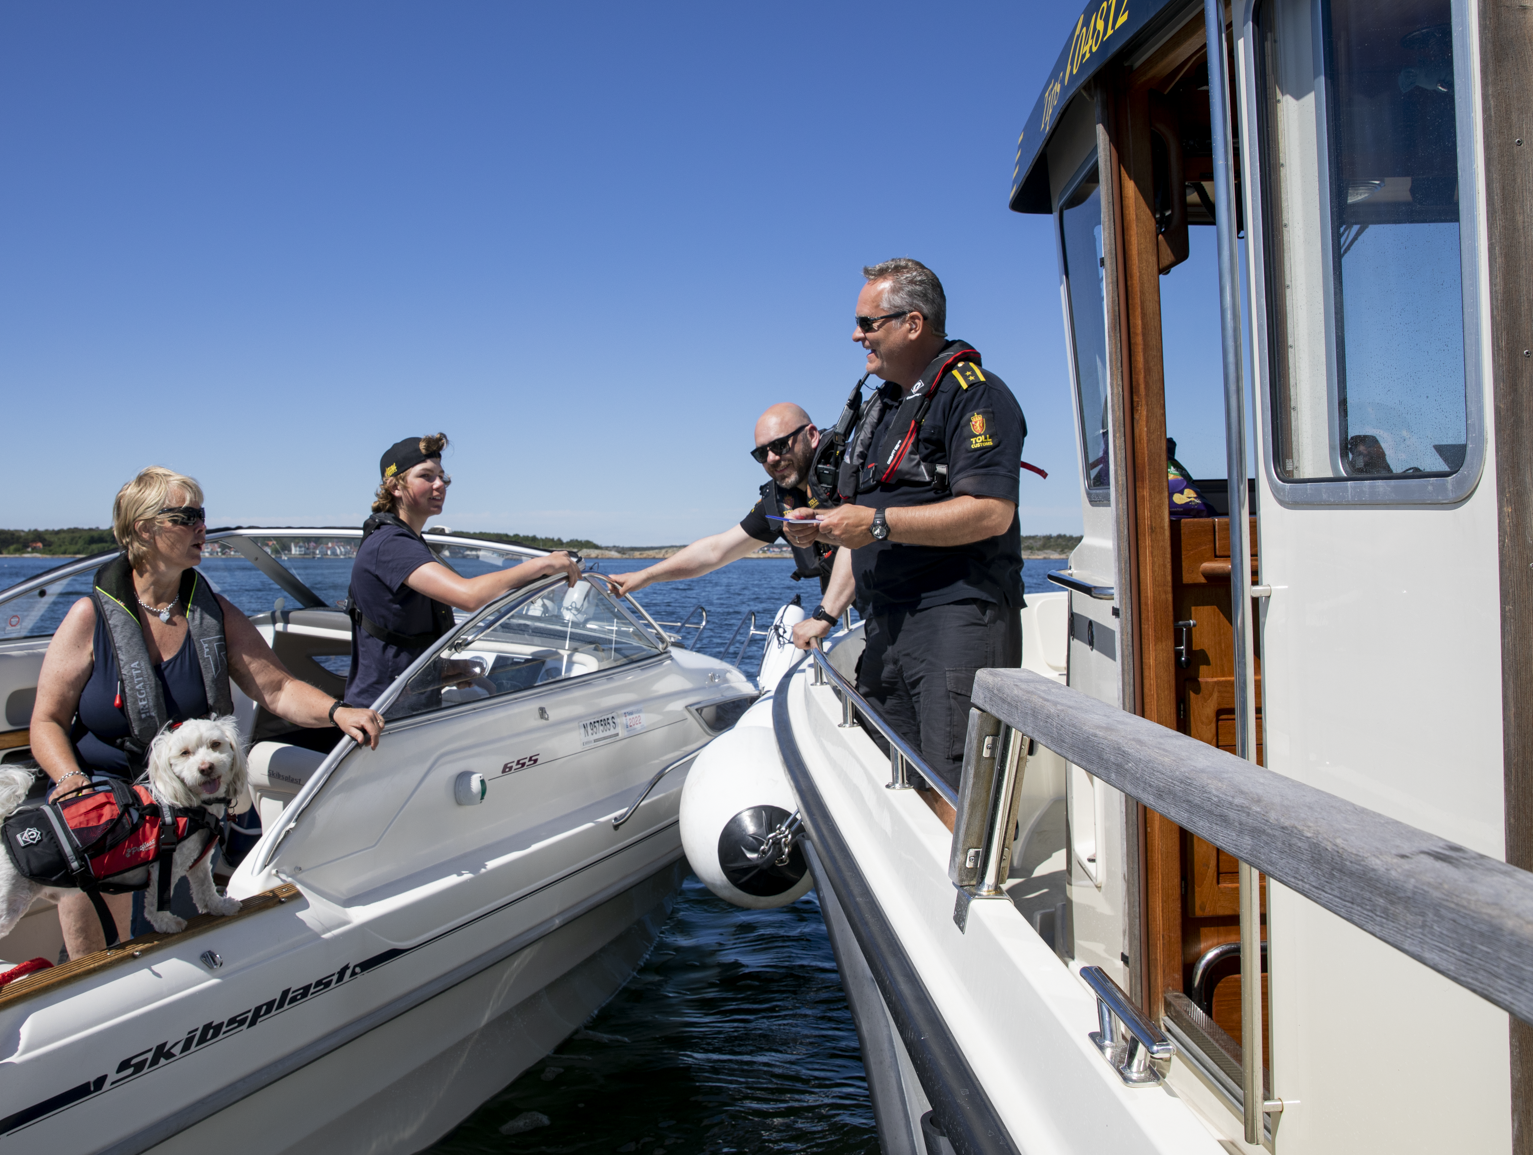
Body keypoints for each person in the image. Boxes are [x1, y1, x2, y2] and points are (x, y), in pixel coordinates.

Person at [28, 466, 385, 958]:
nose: (202, 527)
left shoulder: (214, 613)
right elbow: (45, 721)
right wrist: (71, 782)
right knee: (106, 958)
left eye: (203, 516)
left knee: (184, 945)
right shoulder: (89, 618)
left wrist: (339, 712)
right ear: (144, 530)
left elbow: (277, 689)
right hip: (104, 805)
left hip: (183, 804)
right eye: (187, 516)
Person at [785, 258, 1026, 787]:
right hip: (887, 624)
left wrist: (874, 524)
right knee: (887, 777)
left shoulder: (975, 394)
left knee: (950, 784)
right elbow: (866, 527)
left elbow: (991, 510)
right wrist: (827, 607)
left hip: (954, 621)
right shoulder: (886, 408)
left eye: (868, 323)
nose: (857, 335)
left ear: (912, 324)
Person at [343, 433, 582, 710]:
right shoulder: (391, 544)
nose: (439, 485)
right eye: (426, 476)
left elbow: (398, 635)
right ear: (395, 487)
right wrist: (543, 564)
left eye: (442, 477)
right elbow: (468, 596)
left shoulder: (405, 540)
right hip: (384, 712)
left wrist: (443, 670)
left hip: (403, 698)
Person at [605, 403, 856, 651]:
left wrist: (824, 616)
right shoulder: (779, 502)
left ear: (811, 436)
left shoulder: (854, 471)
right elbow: (715, 551)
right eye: (761, 454)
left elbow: (862, 540)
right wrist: (644, 577)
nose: (772, 459)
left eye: (780, 446)